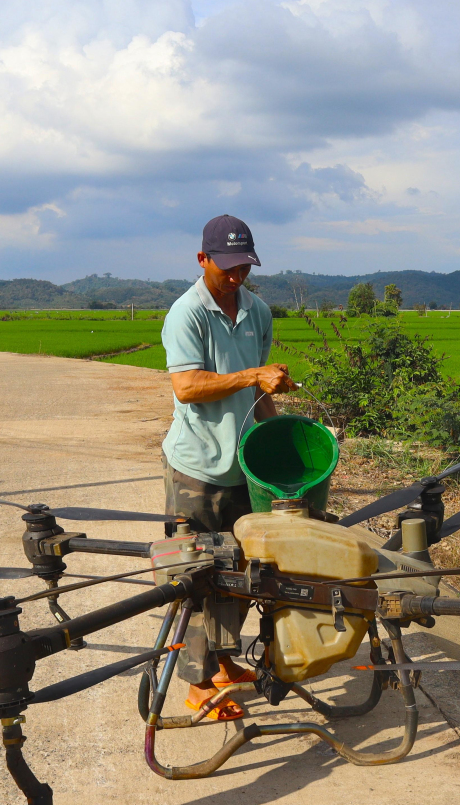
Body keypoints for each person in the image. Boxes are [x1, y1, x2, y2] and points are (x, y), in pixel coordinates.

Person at [160, 214, 295, 719]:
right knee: (198, 576)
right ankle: (197, 685)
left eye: (245, 267)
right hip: (196, 469)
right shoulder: (187, 313)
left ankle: (222, 664)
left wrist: (278, 446)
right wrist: (252, 375)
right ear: (203, 259)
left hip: (243, 466)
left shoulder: (258, 311)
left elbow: (260, 391)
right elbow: (187, 387)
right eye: (228, 267)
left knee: (241, 572)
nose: (237, 276)